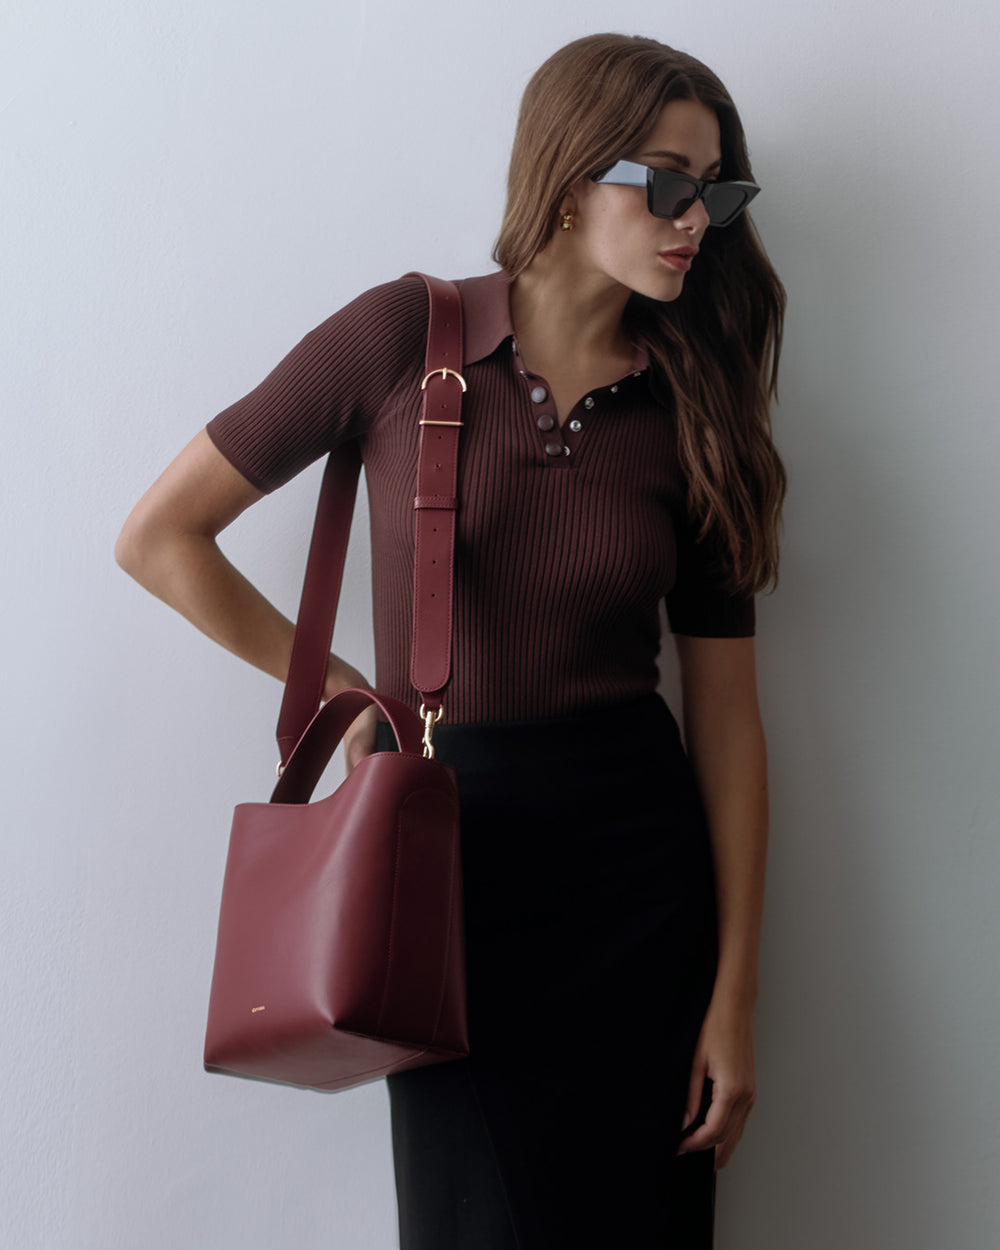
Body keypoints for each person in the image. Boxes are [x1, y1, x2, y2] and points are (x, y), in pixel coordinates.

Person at [115, 31, 786, 1250]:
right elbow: (162, 537)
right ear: (571, 176)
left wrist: (735, 993)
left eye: (717, 190)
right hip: (447, 869)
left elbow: (727, 717)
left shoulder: (693, 409)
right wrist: (348, 690)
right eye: (670, 182)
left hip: (643, 882)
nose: (699, 218)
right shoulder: (400, 339)